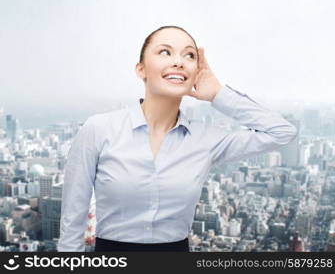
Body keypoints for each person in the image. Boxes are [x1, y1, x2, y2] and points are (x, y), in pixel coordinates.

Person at [57, 25, 298, 252]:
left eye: (189, 56)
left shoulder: (205, 139)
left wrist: (218, 94)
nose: (178, 62)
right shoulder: (98, 129)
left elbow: (282, 132)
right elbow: (73, 217)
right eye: (165, 52)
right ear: (140, 69)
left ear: (196, 72)